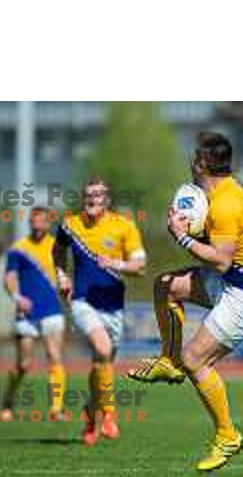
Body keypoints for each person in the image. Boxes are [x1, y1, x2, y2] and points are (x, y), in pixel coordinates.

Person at [128, 132, 243, 472]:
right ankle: (168, 362)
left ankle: (228, 435)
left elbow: (222, 260)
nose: (190, 161)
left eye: (193, 156)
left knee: (195, 359)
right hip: (235, 280)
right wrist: (191, 229)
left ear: (200, 164)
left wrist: (181, 235)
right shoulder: (217, 194)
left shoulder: (226, 203)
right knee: (165, 286)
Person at [53, 178, 146, 445]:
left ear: (107, 200)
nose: (92, 200)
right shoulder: (70, 224)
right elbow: (57, 251)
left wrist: (115, 262)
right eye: (87, 195)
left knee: (102, 364)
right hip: (82, 301)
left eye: (98, 195)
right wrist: (62, 276)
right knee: (103, 350)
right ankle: (109, 414)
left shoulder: (124, 225)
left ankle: (91, 414)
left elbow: (140, 266)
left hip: (113, 305)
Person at [2, 207, 66, 419]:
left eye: (42, 223)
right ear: (30, 223)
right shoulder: (18, 249)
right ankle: (8, 400)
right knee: (24, 365)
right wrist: (17, 297)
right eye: (34, 222)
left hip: (52, 310)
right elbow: (9, 277)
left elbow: (63, 273)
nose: (37, 226)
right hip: (26, 313)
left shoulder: (56, 246)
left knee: (55, 357)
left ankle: (56, 409)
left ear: (48, 224)